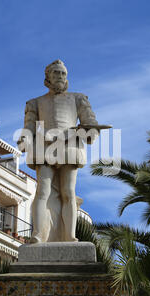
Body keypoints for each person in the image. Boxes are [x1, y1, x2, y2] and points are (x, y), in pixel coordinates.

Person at [18, 59, 99, 243]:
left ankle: (69, 236)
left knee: (68, 192)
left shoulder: (78, 98)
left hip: (70, 144)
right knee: (42, 191)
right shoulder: (35, 103)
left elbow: (90, 122)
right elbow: (29, 126)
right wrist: (25, 139)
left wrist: (88, 131)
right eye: (56, 73)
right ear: (48, 76)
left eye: (63, 73)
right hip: (45, 145)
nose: (60, 76)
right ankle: (38, 234)